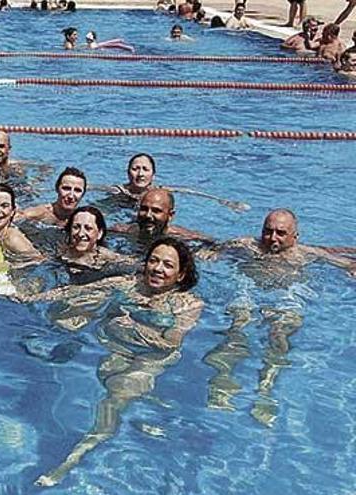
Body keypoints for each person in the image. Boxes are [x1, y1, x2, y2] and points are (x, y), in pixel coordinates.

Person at [26, 237, 203, 486]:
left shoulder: (188, 304)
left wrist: (136, 328)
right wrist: (31, 298)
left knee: (112, 402)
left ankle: (69, 462)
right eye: (153, 260)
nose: (157, 269)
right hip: (116, 350)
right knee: (107, 380)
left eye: (167, 265)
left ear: (181, 274)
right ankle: (145, 400)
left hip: (149, 360)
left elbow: (171, 344)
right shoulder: (127, 284)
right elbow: (78, 291)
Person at [199, 210, 355, 426]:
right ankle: (222, 379)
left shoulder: (306, 254)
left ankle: (265, 387)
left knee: (280, 331)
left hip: (286, 293)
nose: (273, 238)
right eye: (268, 231)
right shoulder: (247, 245)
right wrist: (211, 254)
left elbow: (346, 262)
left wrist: (351, 269)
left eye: (281, 233)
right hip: (249, 288)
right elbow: (215, 247)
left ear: (295, 236)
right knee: (238, 324)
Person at [91, 153, 249, 212]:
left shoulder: (160, 191)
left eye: (145, 169)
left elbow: (190, 191)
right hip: (121, 205)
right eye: (135, 169)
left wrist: (224, 201)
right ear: (128, 172)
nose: (140, 174)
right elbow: (91, 187)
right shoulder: (119, 190)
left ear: (153, 175)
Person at [60, 206, 136, 283]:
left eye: (88, 228)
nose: (80, 233)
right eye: (76, 227)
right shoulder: (58, 252)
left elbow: (134, 268)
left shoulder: (106, 256)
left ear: (99, 233)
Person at [109, 189, 212, 245]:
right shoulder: (123, 231)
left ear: (170, 215)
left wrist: (209, 253)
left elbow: (218, 246)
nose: (148, 215)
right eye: (144, 209)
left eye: (156, 211)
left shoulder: (182, 236)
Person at [0, 184, 44, 264]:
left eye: (4, 206)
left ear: (12, 212)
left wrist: (11, 267)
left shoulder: (12, 239)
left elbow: (41, 260)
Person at [18, 167, 87, 228]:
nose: (71, 196)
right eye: (66, 188)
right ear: (57, 189)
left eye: (77, 190)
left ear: (83, 194)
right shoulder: (40, 213)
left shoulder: (83, 218)